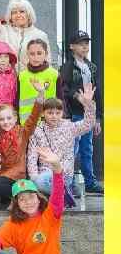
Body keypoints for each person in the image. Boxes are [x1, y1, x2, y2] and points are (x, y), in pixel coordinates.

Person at [0, 80, 45, 212]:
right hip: (1, 175)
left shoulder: (23, 131)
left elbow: (34, 116)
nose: (6, 122)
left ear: (15, 118)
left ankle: (21, 195)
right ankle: (11, 199)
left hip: (16, 176)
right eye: (2, 119)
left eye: (9, 118)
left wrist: (40, 94)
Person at [27, 85, 96, 197]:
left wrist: (88, 104)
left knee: (44, 185)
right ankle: (60, 195)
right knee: (37, 183)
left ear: (62, 113)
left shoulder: (69, 127)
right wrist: (34, 178)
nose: (54, 116)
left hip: (64, 174)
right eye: (50, 113)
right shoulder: (37, 130)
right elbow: (32, 156)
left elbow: (88, 124)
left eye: (57, 113)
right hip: (44, 175)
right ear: (43, 113)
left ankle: (61, 193)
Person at [60, 30, 103, 193]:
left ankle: (90, 183)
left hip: (88, 115)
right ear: (72, 46)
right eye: (80, 44)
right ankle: (69, 183)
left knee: (87, 149)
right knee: (72, 149)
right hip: (75, 114)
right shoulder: (67, 67)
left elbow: (97, 93)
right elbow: (64, 89)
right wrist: (77, 96)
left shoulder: (92, 67)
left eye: (86, 44)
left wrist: (97, 118)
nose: (85, 47)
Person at [18, 39, 61, 124]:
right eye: (32, 54)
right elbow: (16, 101)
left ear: (46, 54)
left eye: (39, 53)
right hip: (26, 124)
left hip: (48, 124)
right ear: (27, 55)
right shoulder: (21, 76)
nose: (36, 57)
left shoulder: (54, 74)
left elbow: (61, 100)